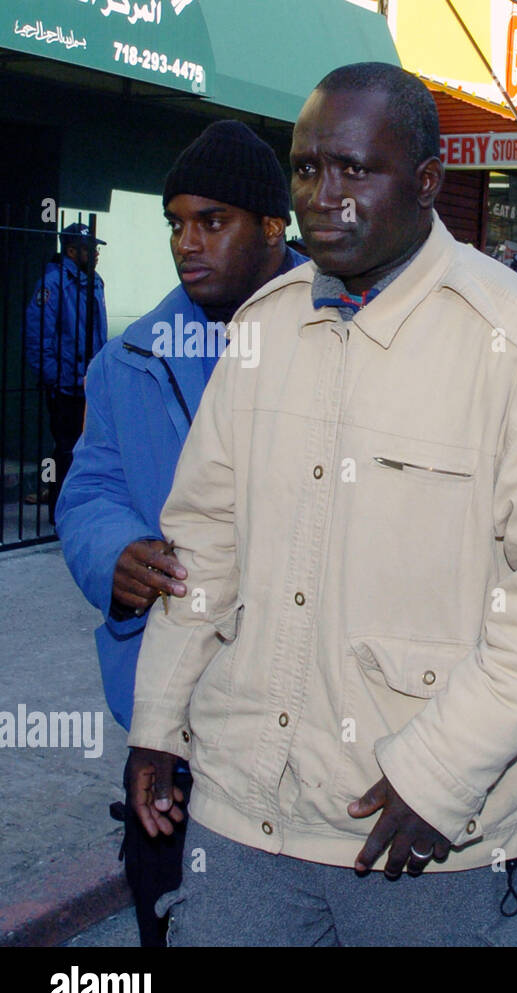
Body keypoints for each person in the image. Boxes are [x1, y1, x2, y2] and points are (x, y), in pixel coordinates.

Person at [124, 62, 517, 947]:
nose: (324, 195)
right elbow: (203, 543)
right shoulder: (264, 328)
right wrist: (158, 723)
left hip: (419, 826)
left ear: (427, 183)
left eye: (355, 169)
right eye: (308, 169)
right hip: (245, 810)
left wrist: (440, 775)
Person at [56, 120, 307, 946]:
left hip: (310, 723)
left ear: (274, 226)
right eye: (174, 223)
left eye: (212, 221)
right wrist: (113, 550)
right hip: (174, 721)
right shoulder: (129, 357)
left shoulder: (350, 338)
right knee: (166, 917)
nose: (186, 243)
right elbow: (88, 487)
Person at [24, 222, 108, 525]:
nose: (96, 254)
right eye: (90, 249)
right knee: (65, 450)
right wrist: (54, 378)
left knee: (89, 451)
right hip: (65, 384)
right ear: (72, 251)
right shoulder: (53, 283)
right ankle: (60, 515)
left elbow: (97, 332)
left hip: (89, 384)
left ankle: (80, 512)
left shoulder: (94, 281)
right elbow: (38, 337)